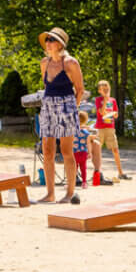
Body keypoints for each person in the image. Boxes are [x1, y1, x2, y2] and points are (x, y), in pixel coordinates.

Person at [35, 27, 85, 204]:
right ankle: (50, 194)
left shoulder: (70, 63)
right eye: (47, 40)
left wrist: (72, 111)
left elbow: (80, 90)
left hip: (67, 106)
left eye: (52, 40)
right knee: (47, 151)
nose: (48, 43)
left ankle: (69, 193)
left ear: (60, 44)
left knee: (66, 151)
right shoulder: (44, 63)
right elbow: (46, 87)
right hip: (48, 106)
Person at [93, 80, 129, 184]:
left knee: (115, 149)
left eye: (107, 88)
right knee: (97, 150)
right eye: (103, 89)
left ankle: (121, 173)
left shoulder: (113, 100)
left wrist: (114, 114)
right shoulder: (98, 100)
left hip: (110, 128)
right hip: (100, 128)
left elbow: (116, 115)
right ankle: (98, 173)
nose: (105, 90)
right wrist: (105, 100)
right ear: (99, 90)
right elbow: (101, 112)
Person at [73, 111, 98, 190]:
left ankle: (72, 182)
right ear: (85, 120)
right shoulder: (86, 133)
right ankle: (84, 183)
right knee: (83, 168)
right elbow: (88, 144)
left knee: (74, 168)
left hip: (74, 152)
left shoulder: (72, 131)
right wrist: (89, 153)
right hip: (83, 153)